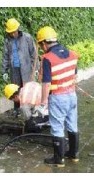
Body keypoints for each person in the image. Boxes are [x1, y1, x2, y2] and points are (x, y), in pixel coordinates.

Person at [35, 26, 79, 167]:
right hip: (72, 95)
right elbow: (75, 76)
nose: (41, 48)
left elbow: (46, 84)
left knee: (57, 127)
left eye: (40, 45)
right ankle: (74, 154)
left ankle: (58, 160)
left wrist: (42, 104)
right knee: (72, 125)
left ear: (43, 43)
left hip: (58, 98)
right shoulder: (72, 54)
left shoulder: (47, 58)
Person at [1, 18, 37, 118]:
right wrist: (4, 70)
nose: (13, 34)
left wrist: (36, 68)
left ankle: (31, 109)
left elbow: (34, 54)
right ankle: (17, 109)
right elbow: (5, 56)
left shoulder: (27, 38)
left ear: (18, 29)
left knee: (27, 89)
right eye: (11, 32)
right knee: (15, 90)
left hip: (26, 68)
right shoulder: (7, 41)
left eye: (14, 31)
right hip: (14, 69)